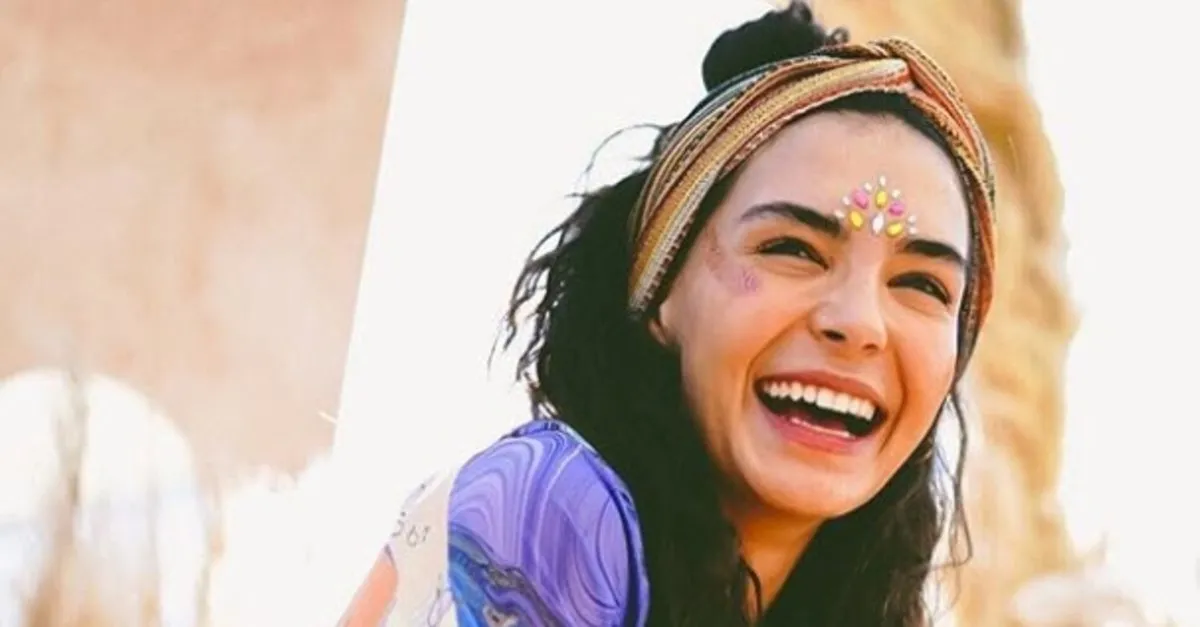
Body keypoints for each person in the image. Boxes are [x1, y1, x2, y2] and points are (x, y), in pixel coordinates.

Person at [338, 3, 996, 625]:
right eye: (792, 250)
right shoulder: (549, 507)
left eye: (922, 285)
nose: (859, 322)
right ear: (657, 288)